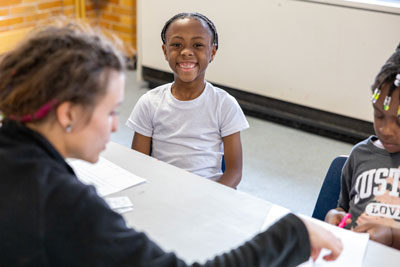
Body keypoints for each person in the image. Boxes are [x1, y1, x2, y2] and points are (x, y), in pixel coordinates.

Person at [0, 24, 342, 266]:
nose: (116, 126)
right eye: (110, 111)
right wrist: (291, 235)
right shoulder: (62, 202)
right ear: (68, 114)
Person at [126, 13, 249, 188]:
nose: (186, 52)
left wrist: (211, 198)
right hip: (162, 189)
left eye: (198, 45)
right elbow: (139, 164)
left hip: (210, 193)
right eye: (176, 45)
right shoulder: (149, 102)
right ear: (165, 52)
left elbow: (234, 172)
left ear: (212, 52)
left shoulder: (225, 105)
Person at [325, 44, 400, 249]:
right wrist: (337, 215)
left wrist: (391, 236)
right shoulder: (361, 154)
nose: (386, 129)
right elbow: (345, 208)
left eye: (399, 121)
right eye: (379, 115)